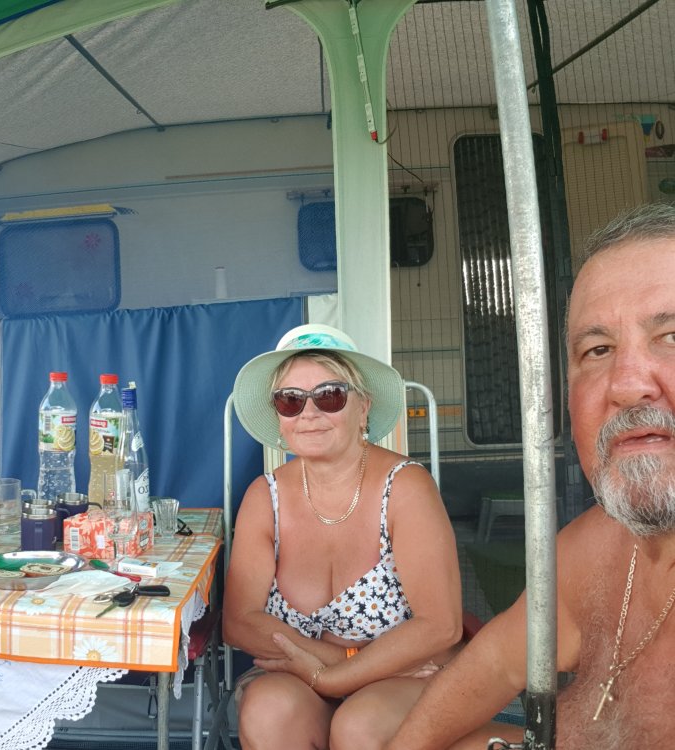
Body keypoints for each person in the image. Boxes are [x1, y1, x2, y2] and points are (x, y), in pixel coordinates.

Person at [385, 202, 675, 749]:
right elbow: (496, 662)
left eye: (671, 335)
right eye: (598, 350)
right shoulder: (596, 546)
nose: (626, 383)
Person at [224, 323, 463, 749]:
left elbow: (441, 626)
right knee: (268, 711)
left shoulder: (405, 487)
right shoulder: (265, 496)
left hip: (404, 675)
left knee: (359, 727)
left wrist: (339, 672)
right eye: (290, 400)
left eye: (329, 395)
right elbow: (239, 622)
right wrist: (338, 663)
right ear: (279, 416)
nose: (308, 413)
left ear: (363, 407)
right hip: (302, 675)